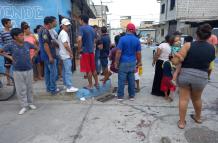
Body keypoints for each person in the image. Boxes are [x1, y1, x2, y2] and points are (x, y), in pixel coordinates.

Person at [172, 24, 216, 129]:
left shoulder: (188, 45)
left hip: (186, 75)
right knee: (197, 99)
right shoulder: (212, 48)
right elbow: (209, 63)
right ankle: (198, 117)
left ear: (196, 34)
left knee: (184, 99)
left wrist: (176, 55)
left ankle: (182, 123)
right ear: (209, 36)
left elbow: (175, 62)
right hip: (202, 76)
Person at [0, 28, 37, 115]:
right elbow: (1, 51)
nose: (22, 37)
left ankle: (30, 103)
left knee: (29, 88)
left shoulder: (27, 44)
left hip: (29, 69)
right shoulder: (10, 45)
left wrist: (33, 56)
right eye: (20, 35)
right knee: (21, 89)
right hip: (17, 71)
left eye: (22, 34)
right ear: (15, 37)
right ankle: (24, 106)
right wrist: (9, 57)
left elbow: (36, 48)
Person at [115, 23, 142, 101]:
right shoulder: (137, 40)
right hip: (133, 62)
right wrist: (139, 61)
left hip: (123, 62)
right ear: (134, 31)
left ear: (127, 29)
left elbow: (119, 52)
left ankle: (120, 96)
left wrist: (116, 62)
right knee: (131, 79)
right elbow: (138, 53)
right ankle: (131, 96)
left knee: (121, 80)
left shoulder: (122, 39)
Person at [39, 16, 60, 95]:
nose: (56, 23)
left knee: (47, 73)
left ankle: (48, 88)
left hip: (46, 56)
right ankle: (53, 89)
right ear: (50, 23)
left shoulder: (44, 30)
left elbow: (49, 42)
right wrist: (50, 56)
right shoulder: (45, 31)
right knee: (53, 73)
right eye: (55, 21)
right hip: (49, 56)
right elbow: (45, 45)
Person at [77, 15, 99, 89]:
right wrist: (92, 44)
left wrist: (79, 50)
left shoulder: (81, 28)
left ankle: (90, 85)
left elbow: (79, 39)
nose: (79, 21)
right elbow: (96, 38)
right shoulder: (92, 29)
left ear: (82, 20)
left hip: (85, 52)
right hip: (91, 52)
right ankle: (96, 83)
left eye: (79, 20)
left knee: (88, 69)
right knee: (93, 68)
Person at [58, 18, 78, 93]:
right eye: (66, 25)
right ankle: (69, 86)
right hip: (66, 55)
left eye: (68, 25)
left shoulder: (62, 33)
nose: (68, 27)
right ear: (62, 26)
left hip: (63, 54)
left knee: (64, 70)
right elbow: (66, 45)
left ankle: (66, 84)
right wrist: (71, 52)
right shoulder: (64, 33)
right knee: (68, 71)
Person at [0, 18, 13, 85]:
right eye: (9, 23)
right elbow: (1, 42)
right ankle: (8, 81)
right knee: (8, 67)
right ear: (5, 24)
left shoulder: (12, 31)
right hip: (7, 53)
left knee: (16, 66)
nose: (11, 24)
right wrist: (4, 51)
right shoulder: (2, 32)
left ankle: (14, 80)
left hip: (14, 52)